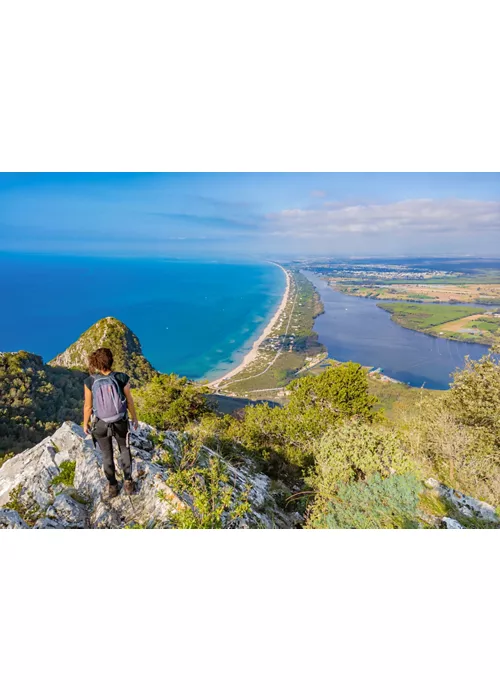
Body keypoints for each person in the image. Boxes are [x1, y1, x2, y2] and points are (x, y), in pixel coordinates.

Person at [83, 347, 139, 498]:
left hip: (100, 424)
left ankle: (113, 486)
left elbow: (88, 406)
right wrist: (134, 418)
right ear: (111, 361)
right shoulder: (122, 377)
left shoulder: (90, 381)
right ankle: (128, 483)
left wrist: (85, 423)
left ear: (95, 364)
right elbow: (129, 401)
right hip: (120, 420)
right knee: (124, 449)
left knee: (106, 454)